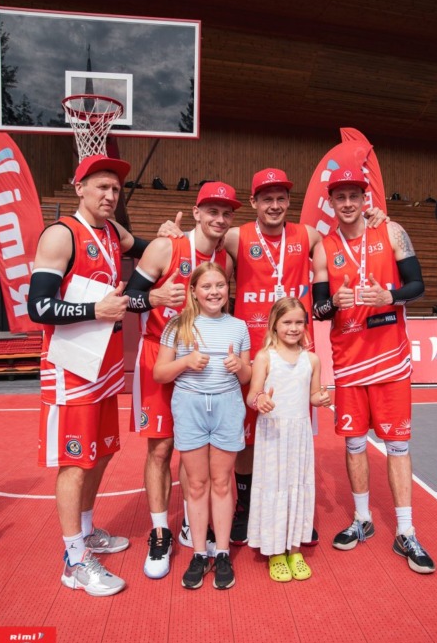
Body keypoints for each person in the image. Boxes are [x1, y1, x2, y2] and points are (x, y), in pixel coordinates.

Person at [159, 167, 387, 546]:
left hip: (294, 349)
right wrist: (171, 231)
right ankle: (247, 508)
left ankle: (296, 511)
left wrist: (375, 218)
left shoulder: (308, 235)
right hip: (248, 352)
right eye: (267, 199)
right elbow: (203, 238)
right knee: (247, 437)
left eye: (281, 198)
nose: (275, 205)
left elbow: (347, 235)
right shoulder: (237, 236)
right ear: (254, 202)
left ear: (289, 202)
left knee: (293, 429)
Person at [27, 154, 151, 596]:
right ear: (79, 188)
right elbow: (38, 307)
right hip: (71, 369)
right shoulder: (61, 235)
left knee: (102, 453)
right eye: (101, 186)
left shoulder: (112, 232)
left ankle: (85, 530)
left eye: (115, 189)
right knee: (76, 461)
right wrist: (95, 309)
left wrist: (172, 238)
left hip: (104, 364)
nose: (110, 195)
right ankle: (74, 560)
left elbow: (145, 248)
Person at [312, 165, 435, 574]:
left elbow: (418, 286)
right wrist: (335, 303)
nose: (348, 203)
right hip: (349, 362)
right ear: (332, 202)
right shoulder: (324, 248)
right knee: (354, 445)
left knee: (398, 445)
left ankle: (406, 530)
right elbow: (318, 308)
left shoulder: (392, 231)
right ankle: (362, 519)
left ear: (365, 199)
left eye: (354, 196)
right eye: (340, 197)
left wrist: (390, 296)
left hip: (390, 359)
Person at [123, 182, 241, 580]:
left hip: (204, 362)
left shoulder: (224, 259)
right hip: (161, 351)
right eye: (212, 211)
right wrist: (155, 298)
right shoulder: (165, 247)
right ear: (196, 212)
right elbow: (129, 298)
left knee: (200, 449)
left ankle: (195, 522)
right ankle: (160, 532)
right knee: (161, 448)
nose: (219, 219)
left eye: (226, 213)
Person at [153, 262, 251, 589]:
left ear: (227, 289)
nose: (214, 292)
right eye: (206, 286)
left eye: (219, 285)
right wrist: (185, 362)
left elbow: (247, 376)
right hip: (190, 407)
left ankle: (221, 552)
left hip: (227, 407)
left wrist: (239, 367)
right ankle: (198, 553)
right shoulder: (178, 325)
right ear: (194, 291)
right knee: (196, 484)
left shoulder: (238, 326)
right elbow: (159, 373)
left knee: (222, 483)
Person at [246, 298, 331, 582]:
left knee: (297, 486)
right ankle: (274, 552)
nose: (293, 328)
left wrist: (321, 398)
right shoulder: (265, 357)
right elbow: (252, 394)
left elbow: (313, 395)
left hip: (299, 434)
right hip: (272, 434)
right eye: (287, 322)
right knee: (274, 487)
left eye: (299, 322)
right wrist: (260, 401)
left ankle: (294, 550)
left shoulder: (312, 359)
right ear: (274, 324)